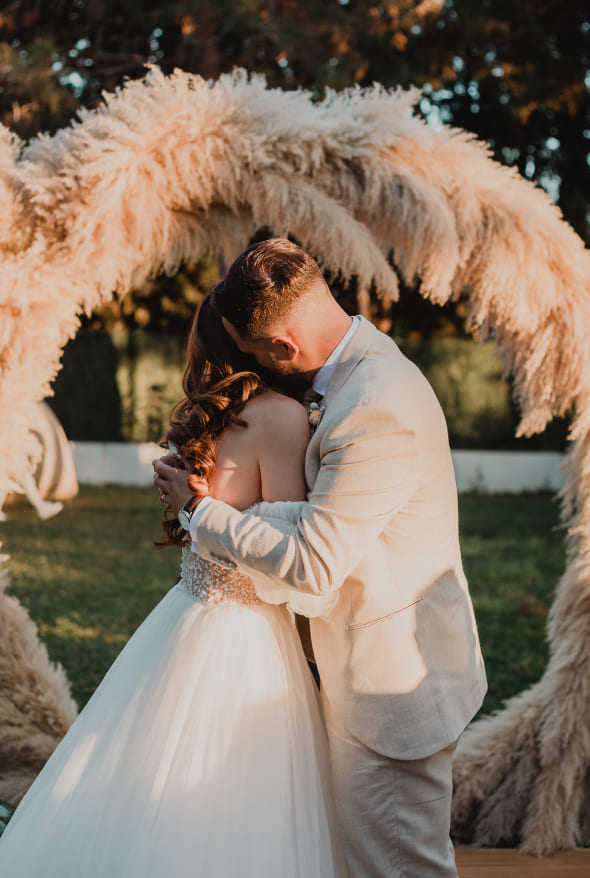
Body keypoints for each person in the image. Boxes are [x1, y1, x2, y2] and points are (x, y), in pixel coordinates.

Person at [153, 238, 488, 878]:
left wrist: (202, 514)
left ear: (281, 347)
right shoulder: (360, 364)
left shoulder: (376, 403)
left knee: (399, 868)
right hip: (355, 661)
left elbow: (313, 562)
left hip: (387, 686)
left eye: (255, 356)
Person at [0, 293, 348, 877]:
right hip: (248, 633)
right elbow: (288, 559)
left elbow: (205, 528)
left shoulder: (203, 418)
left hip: (183, 616)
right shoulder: (283, 418)